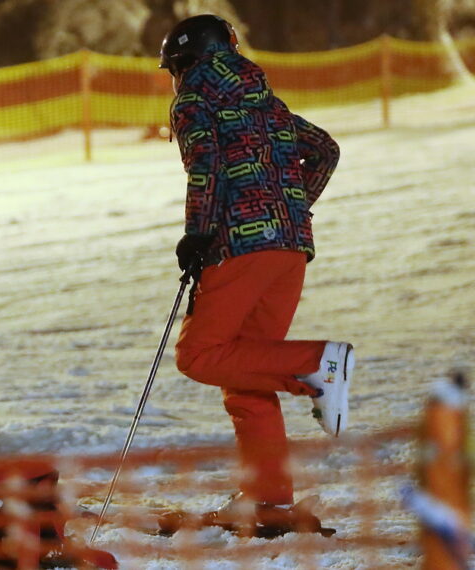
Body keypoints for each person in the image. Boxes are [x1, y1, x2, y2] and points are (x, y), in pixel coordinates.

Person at [161, 14, 353, 531]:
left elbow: (206, 164)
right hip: (290, 249)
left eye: (172, 69)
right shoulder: (264, 99)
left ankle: (319, 364)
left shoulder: (194, 98)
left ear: (184, 62)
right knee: (243, 374)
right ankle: (269, 503)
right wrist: (288, 206)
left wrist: (200, 233)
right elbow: (326, 150)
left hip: (241, 248)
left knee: (199, 354)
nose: (173, 80)